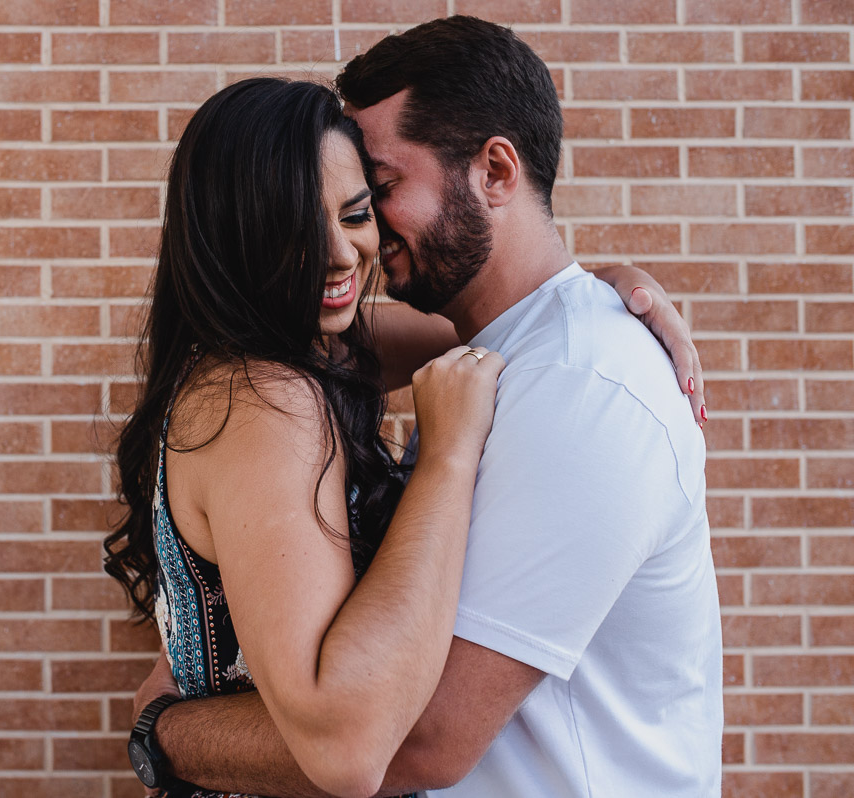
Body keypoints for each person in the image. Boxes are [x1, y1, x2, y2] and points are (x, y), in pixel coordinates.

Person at [125, 16, 722, 798]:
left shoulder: (582, 386)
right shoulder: (293, 379)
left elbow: (421, 740)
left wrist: (165, 733)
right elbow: (303, 325)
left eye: (371, 197)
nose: (351, 245)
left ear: (497, 172)